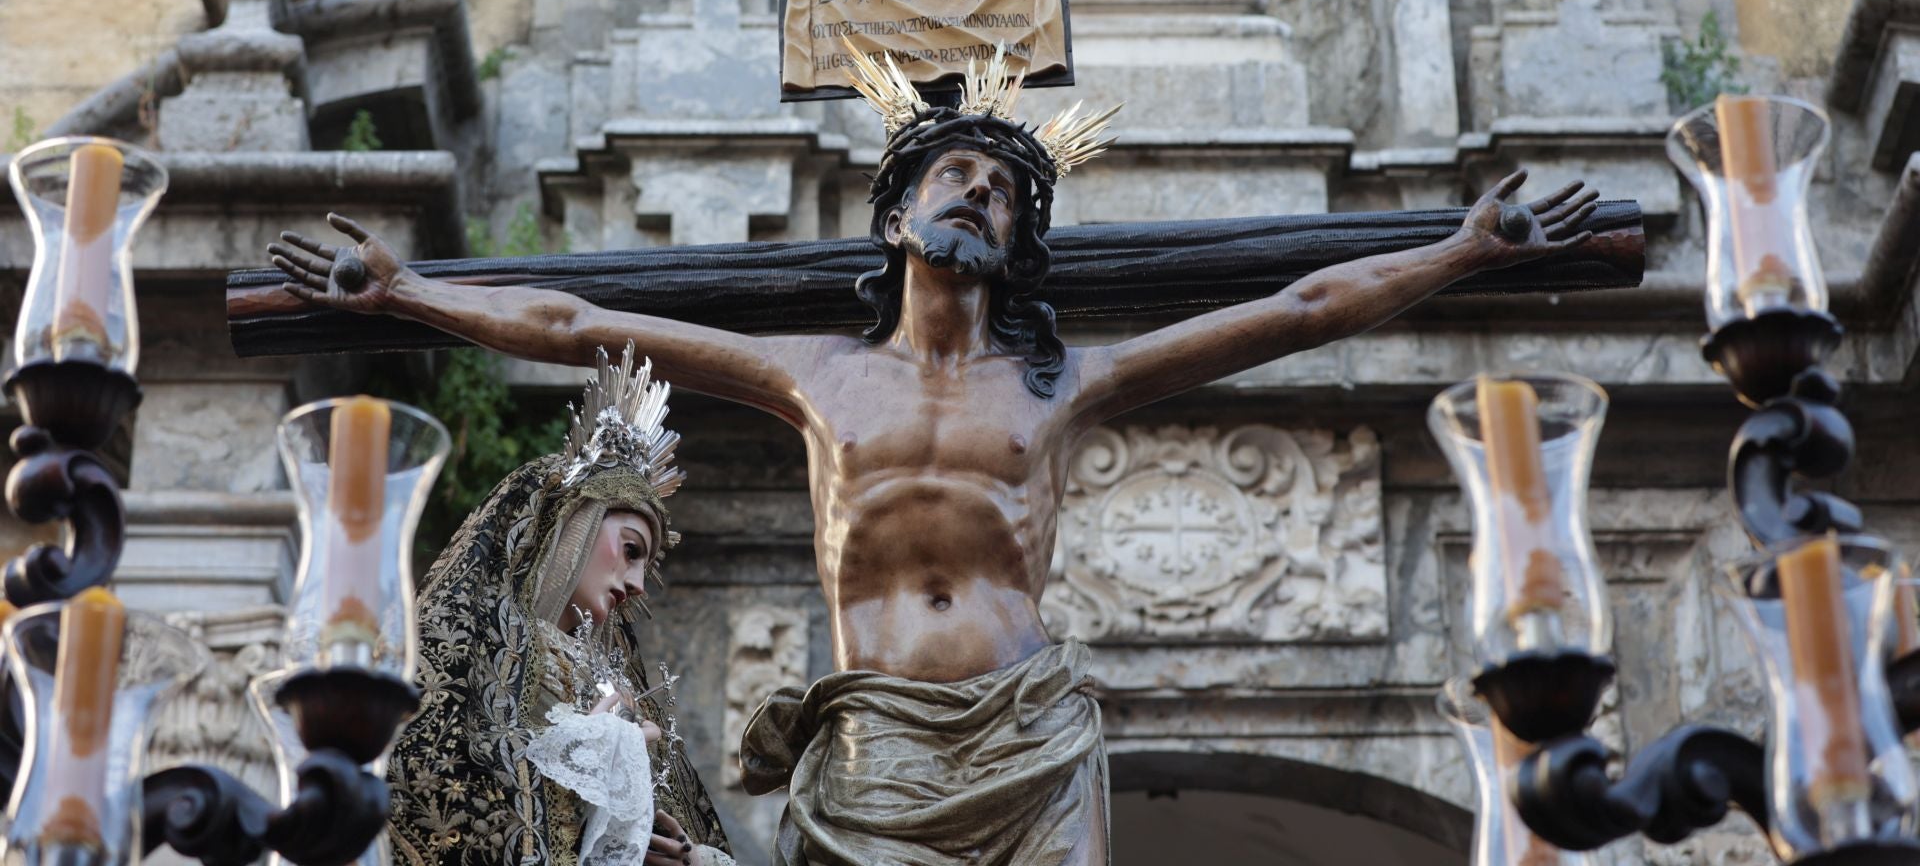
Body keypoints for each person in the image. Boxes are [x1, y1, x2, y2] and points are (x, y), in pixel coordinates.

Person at [270, 50, 1599, 865]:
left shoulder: (1062, 381)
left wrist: (1462, 256)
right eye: (957, 174)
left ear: (1017, 242)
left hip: (1031, 723)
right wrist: (404, 297)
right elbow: (576, 322)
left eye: (1005, 189)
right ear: (899, 214)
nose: (981, 192)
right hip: (876, 743)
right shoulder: (816, 374)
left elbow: (1296, 312)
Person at [386, 343, 734, 866]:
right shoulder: (473, 650)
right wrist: (590, 763)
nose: (638, 583)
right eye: (632, 550)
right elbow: (420, 781)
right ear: (576, 526)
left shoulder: (622, 689)